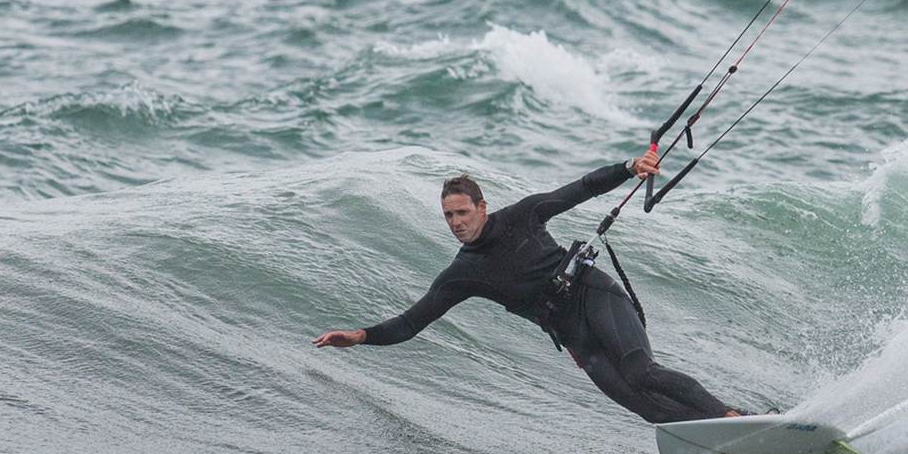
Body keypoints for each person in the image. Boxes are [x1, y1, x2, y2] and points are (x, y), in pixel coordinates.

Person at [313, 146, 740, 424]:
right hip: (574, 337)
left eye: (462, 213)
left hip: (594, 296)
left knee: (640, 371)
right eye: (449, 216)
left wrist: (629, 168)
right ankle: (722, 433)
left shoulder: (522, 217)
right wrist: (361, 336)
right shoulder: (462, 274)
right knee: (647, 408)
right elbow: (411, 323)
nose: (456, 223)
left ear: (482, 207)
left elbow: (581, 189)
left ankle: (727, 417)